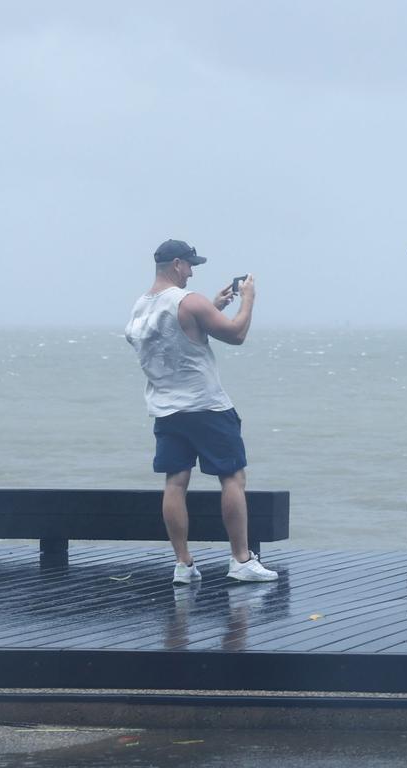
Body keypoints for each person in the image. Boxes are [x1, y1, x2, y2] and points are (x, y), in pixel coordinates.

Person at [125, 238, 278, 586]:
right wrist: (248, 300)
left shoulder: (141, 306)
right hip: (206, 406)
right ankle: (241, 559)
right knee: (232, 478)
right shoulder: (188, 301)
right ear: (177, 264)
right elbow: (236, 335)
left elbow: (176, 335)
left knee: (175, 482)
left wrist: (213, 307)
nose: (192, 273)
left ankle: (183, 564)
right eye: (190, 265)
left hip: (166, 409)